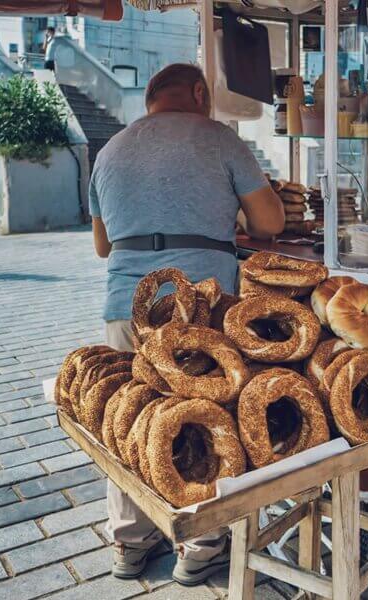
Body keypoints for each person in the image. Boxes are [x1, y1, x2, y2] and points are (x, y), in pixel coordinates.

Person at [89, 63, 284, 584]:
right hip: (202, 308)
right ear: (199, 93)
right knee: (203, 418)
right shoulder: (219, 139)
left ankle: (130, 542)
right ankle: (201, 546)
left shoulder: (109, 151)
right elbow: (271, 223)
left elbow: (102, 245)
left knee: (127, 421)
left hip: (125, 306)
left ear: (151, 99)